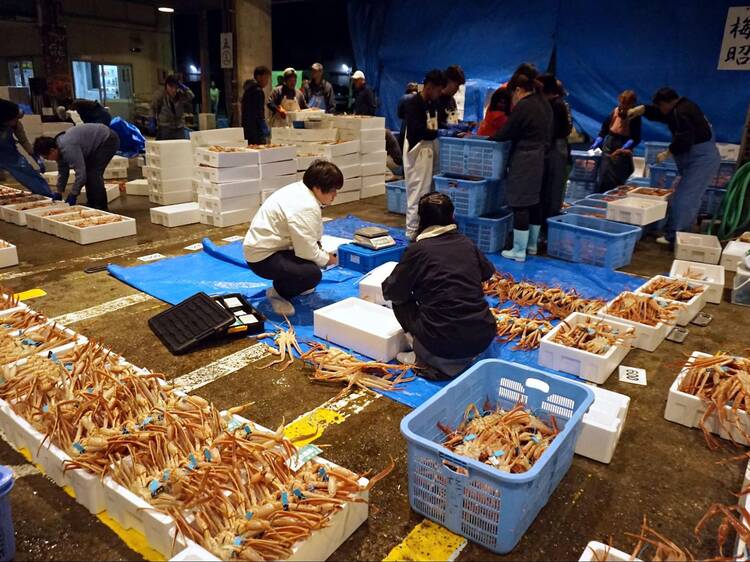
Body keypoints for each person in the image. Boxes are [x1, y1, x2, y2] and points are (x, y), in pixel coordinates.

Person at [382, 192, 496, 379]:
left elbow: (392, 290)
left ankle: (420, 354)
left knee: (400, 300)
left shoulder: (417, 250)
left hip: (443, 343)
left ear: (422, 219)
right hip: (482, 336)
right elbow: (487, 272)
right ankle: (459, 352)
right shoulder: (466, 243)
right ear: (452, 216)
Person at [243, 160, 342, 317]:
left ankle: (289, 282)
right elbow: (307, 251)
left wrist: (321, 253)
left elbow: (311, 237)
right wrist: (328, 259)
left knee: (313, 261)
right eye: (332, 191)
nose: (335, 195)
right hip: (262, 258)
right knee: (312, 274)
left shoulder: (301, 190)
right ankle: (278, 293)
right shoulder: (305, 206)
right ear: (317, 188)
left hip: (271, 247)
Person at [629, 88, 721, 246]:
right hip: (699, 158)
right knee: (690, 197)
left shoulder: (682, 112)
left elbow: (684, 139)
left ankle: (675, 236)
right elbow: (664, 115)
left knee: (684, 198)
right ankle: (683, 233)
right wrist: (644, 110)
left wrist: (669, 152)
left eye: (659, 106)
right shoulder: (683, 105)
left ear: (665, 103)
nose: (660, 110)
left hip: (701, 160)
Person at [491, 73, 553, 261]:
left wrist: (489, 140)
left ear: (518, 90)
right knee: (534, 202)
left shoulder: (525, 105)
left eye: (512, 95)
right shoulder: (543, 103)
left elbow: (507, 131)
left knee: (520, 204)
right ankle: (532, 246)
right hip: (540, 156)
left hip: (525, 158)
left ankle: (518, 251)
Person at [33, 123, 120, 210]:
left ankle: (101, 206)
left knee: (93, 173)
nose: (48, 159)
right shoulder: (59, 148)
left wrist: (73, 194)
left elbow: (81, 174)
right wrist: (59, 191)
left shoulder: (68, 148)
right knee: (89, 172)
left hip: (107, 139)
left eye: (46, 157)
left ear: (52, 150)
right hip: (94, 142)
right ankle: (92, 203)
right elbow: (63, 171)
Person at [402, 69, 446, 240]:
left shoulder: (432, 104)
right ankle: (412, 231)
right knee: (417, 193)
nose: (439, 93)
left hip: (429, 149)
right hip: (417, 151)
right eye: (438, 89)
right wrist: (436, 132)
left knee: (429, 193)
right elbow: (417, 130)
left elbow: (434, 124)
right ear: (429, 86)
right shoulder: (413, 103)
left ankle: (425, 227)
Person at [0, 99, 53, 197]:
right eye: (14, 119)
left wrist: (35, 156)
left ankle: (46, 194)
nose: (17, 121)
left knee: (26, 171)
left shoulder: (15, 122)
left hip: (8, 154)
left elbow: (23, 140)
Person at [592, 90, 642, 192]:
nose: (623, 106)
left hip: (623, 144)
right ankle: (601, 195)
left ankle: (614, 195)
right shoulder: (615, 111)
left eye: (627, 104)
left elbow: (636, 137)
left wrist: (626, 147)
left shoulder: (635, 116)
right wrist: (600, 138)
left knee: (618, 174)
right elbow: (605, 127)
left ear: (632, 104)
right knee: (604, 172)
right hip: (610, 141)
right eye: (622, 103)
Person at [539, 74, 572, 222]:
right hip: (557, 148)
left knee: (552, 189)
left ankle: (548, 223)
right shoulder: (556, 104)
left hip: (556, 150)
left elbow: (554, 131)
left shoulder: (557, 105)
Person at [151, 74, 195, 140]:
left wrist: (184, 87)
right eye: (171, 87)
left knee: (180, 147)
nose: (173, 90)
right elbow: (153, 108)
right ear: (166, 86)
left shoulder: (180, 95)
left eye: (176, 87)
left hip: (179, 127)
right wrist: (151, 119)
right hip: (165, 127)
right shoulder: (160, 95)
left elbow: (191, 96)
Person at [241, 66, 271, 145]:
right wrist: (263, 127)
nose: (267, 81)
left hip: (247, 128)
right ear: (258, 77)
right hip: (256, 130)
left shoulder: (248, 89)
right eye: (266, 78)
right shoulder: (258, 91)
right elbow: (259, 112)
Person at [436, 65, 465, 129]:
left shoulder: (452, 101)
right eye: (456, 85)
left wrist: (465, 124)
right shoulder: (435, 99)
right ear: (448, 81)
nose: (457, 89)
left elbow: (454, 121)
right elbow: (433, 124)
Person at [397, 82, 419, 150]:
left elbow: (399, 113)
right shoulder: (420, 98)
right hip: (417, 127)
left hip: (405, 124)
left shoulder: (404, 97)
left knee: (402, 146)